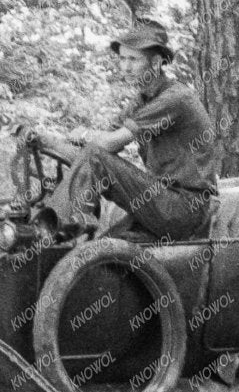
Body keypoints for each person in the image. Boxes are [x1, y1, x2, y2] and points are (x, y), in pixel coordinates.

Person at [52, 17, 219, 241]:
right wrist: (45, 142)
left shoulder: (175, 98)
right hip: (161, 203)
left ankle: (61, 227)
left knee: (95, 156)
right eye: (122, 59)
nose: (126, 67)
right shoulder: (142, 100)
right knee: (102, 252)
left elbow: (108, 144)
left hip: (183, 208)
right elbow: (100, 141)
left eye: (133, 59)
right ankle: (60, 232)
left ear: (156, 62)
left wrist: (83, 135)